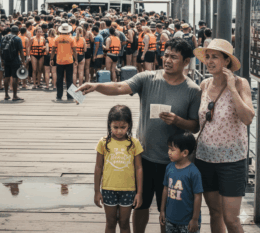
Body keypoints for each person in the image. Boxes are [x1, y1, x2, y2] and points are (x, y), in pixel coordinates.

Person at [77, 38, 201, 233]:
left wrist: (177, 120)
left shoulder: (193, 90)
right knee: (140, 206)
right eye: (166, 55)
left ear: (186, 62)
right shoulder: (148, 78)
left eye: (174, 57)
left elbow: (194, 126)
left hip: (173, 163)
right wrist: (96, 86)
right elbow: (119, 87)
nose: (167, 60)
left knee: (167, 210)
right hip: (143, 157)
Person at [193, 39, 254, 233]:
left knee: (231, 218)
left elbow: (248, 118)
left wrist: (233, 89)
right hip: (205, 159)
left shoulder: (240, 83)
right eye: (208, 57)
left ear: (226, 61)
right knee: (215, 213)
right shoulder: (203, 85)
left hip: (232, 160)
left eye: (215, 57)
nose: (210, 61)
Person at [94, 105, 143, 233]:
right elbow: (98, 167)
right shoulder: (103, 143)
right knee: (110, 223)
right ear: (109, 125)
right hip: (108, 189)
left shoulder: (134, 143)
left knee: (124, 223)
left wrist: (139, 193)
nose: (119, 131)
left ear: (129, 125)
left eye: (123, 127)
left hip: (128, 190)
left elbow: (139, 168)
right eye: (115, 127)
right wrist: (96, 191)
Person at [160, 133, 203, 233]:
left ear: (184, 153)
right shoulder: (169, 168)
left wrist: (195, 219)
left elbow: (198, 196)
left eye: (172, 149)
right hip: (170, 219)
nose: (169, 152)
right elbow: (165, 189)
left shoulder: (194, 172)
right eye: (169, 149)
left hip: (187, 222)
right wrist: (162, 211)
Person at [50, 23, 77, 102]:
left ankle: (59, 96)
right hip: (69, 60)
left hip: (59, 61)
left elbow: (53, 50)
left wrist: (51, 59)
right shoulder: (71, 39)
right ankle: (70, 96)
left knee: (59, 79)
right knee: (69, 79)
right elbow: (74, 51)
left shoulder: (57, 38)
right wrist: (76, 60)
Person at [2, 25, 26, 101]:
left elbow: (1, 49)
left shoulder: (4, 37)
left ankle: (6, 95)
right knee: (15, 77)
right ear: (17, 32)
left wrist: (2, 60)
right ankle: (14, 96)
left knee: (6, 76)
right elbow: (21, 51)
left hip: (6, 60)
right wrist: (23, 61)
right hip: (15, 60)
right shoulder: (17, 39)